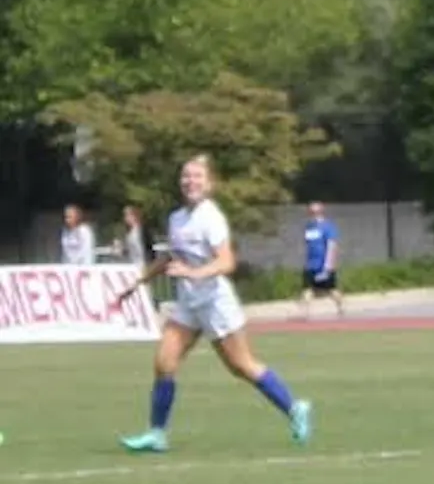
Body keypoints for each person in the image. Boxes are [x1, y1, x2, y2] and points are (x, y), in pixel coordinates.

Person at [112, 155, 314, 454]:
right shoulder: (177, 218)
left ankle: (295, 407)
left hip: (216, 303)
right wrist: (137, 283)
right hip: (189, 304)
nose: (190, 181)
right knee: (164, 362)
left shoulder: (211, 217)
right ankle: (157, 434)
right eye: (185, 175)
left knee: (241, 366)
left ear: (209, 184)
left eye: (197, 176)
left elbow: (226, 261)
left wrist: (193, 273)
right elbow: (171, 258)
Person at [299, 201, 345, 318]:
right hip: (311, 265)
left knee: (331, 290)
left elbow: (332, 245)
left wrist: (329, 264)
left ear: (321, 212)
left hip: (324, 264)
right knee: (307, 289)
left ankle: (341, 308)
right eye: (311, 212)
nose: (313, 214)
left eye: (316, 212)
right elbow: (309, 245)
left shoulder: (328, 227)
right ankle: (305, 313)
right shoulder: (309, 227)